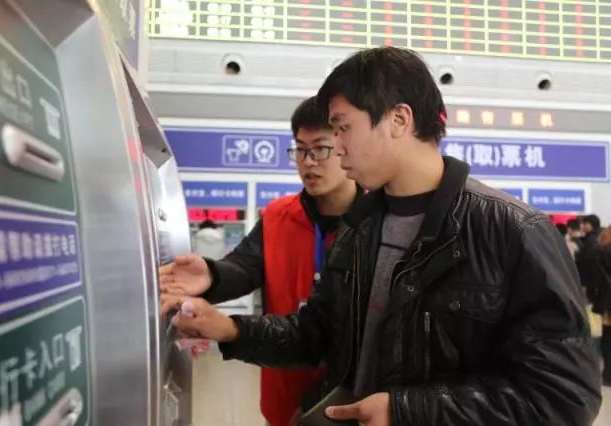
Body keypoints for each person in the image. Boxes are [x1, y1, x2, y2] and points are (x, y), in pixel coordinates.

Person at [164, 47, 601, 425]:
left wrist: (408, 411)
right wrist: (228, 329)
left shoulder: (510, 231)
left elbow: (563, 396)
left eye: (343, 127)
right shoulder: (360, 227)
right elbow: (317, 335)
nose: (337, 146)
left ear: (398, 119)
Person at [161, 96, 360, 426]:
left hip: (351, 404)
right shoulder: (279, 216)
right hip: (282, 393)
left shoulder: (376, 223)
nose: (308, 162)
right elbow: (245, 266)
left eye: (321, 149)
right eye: (300, 150)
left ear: (346, 145)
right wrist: (211, 275)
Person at [588, 225, 611, 385]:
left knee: (608, 338)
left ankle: (608, 374)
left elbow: (595, 279)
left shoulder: (600, 251)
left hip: (607, 301)